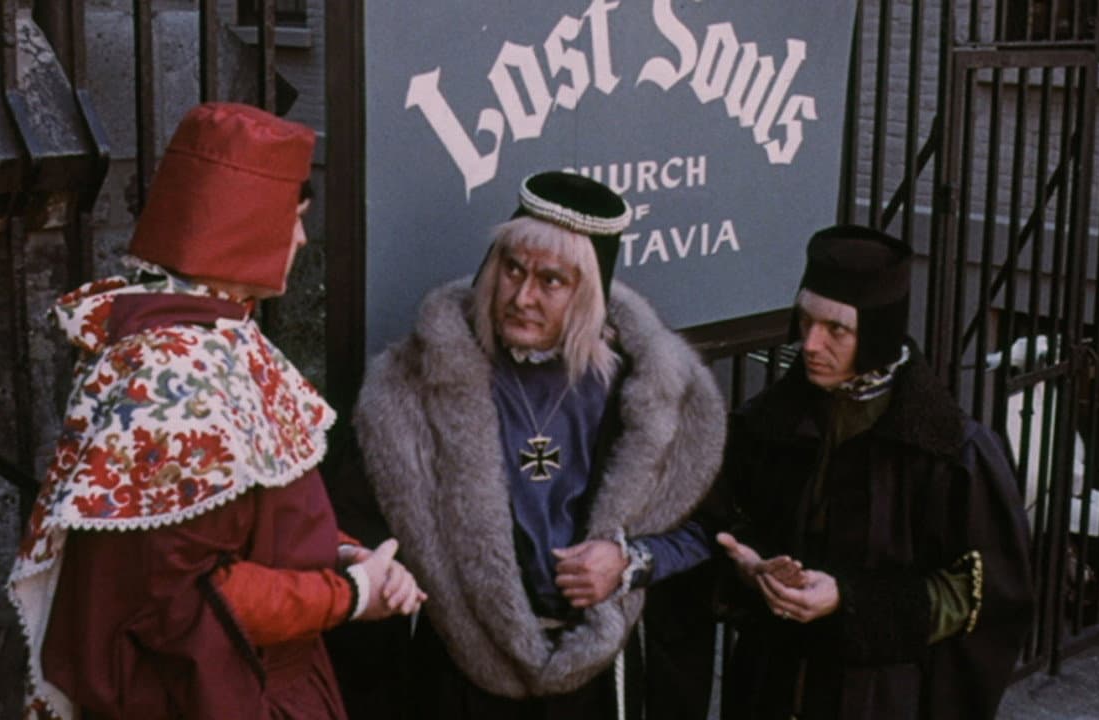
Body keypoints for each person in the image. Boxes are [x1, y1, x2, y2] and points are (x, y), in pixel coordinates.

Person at [7, 102, 425, 720]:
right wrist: (351, 595)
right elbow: (187, 595)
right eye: (293, 219)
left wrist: (346, 556)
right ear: (243, 221)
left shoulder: (211, 337)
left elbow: (253, 521)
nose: (302, 240)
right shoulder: (176, 373)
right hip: (224, 694)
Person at [352, 170, 726, 719]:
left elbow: (705, 529)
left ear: (589, 294)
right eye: (513, 269)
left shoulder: (643, 387)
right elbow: (359, 534)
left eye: (551, 280)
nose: (522, 297)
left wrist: (629, 564)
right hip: (459, 674)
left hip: (592, 677)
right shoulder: (415, 385)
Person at [708, 224, 1034, 719]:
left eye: (836, 329)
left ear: (878, 332)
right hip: (769, 687)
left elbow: (984, 592)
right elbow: (730, 522)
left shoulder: (948, 453)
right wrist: (752, 567)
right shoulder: (769, 425)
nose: (810, 343)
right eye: (805, 320)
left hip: (878, 701)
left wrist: (850, 601)